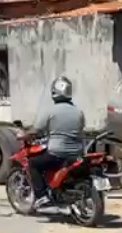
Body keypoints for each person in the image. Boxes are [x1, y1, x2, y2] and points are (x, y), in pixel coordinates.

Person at [25, 76, 86, 208]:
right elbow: (80, 129)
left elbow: (36, 130)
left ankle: (42, 196)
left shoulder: (51, 111)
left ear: (54, 92)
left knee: (33, 164)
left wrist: (23, 135)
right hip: (77, 153)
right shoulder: (78, 111)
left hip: (57, 153)